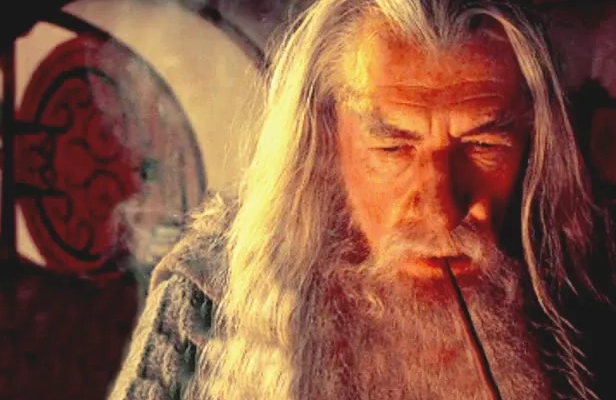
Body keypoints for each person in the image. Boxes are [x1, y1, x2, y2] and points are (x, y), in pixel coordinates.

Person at [108, 0, 616, 399]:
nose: (441, 211)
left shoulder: (583, 283)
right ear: (324, 142)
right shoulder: (213, 292)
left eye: (483, 144)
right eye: (394, 147)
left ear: (534, 142)